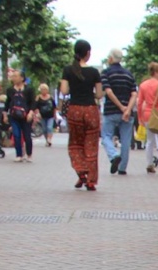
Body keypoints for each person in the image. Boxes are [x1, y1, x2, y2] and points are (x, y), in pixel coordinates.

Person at [60, 39, 102, 190]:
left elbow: (64, 91)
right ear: (88, 53)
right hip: (91, 110)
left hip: (75, 110)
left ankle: (81, 173)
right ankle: (91, 180)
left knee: (75, 144)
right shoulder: (94, 72)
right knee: (91, 144)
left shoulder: (68, 70)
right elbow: (99, 94)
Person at [100, 48, 137, 175]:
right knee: (126, 140)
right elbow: (134, 94)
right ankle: (122, 168)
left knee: (106, 136)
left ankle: (114, 155)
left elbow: (108, 91)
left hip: (111, 110)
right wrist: (127, 109)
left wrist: (121, 107)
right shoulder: (129, 74)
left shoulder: (106, 73)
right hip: (128, 112)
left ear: (110, 59)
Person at [136, 62, 158, 176]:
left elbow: (140, 102)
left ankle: (150, 164)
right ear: (156, 72)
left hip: (147, 115)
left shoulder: (143, 85)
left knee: (149, 141)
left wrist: (140, 117)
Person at [3, 69, 36, 163]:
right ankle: (19, 155)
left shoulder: (29, 89)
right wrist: (5, 114)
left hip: (26, 116)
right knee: (16, 135)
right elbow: (7, 103)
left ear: (22, 78)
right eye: (13, 76)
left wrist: (31, 113)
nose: (13, 78)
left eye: (16, 76)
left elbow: (33, 103)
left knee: (27, 136)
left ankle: (29, 154)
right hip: (14, 116)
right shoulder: (10, 90)